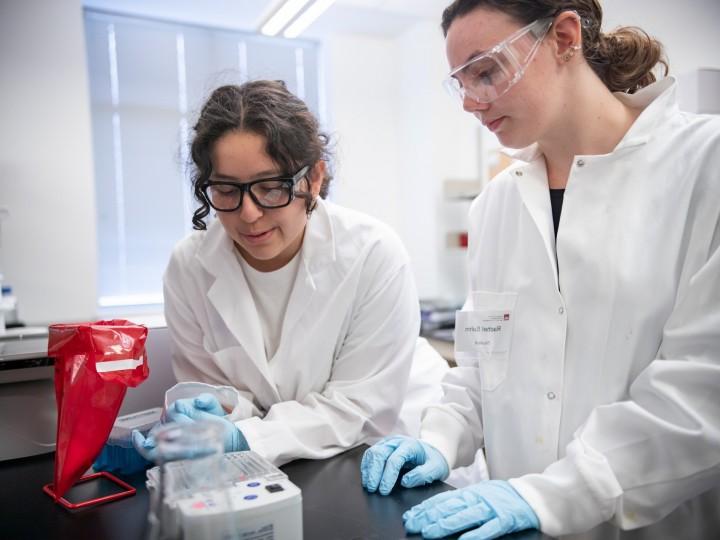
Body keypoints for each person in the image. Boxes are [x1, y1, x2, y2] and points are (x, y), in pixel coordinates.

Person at [360, 1, 720, 538]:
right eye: (461, 82)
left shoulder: (704, 164)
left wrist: (554, 495)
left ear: (564, 36)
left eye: (486, 70)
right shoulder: (495, 206)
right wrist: (438, 438)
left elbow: (702, 392)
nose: (470, 102)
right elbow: (481, 370)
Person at [98, 80, 447, 470]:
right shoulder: (188, 268)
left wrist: (243, 436)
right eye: (227, 190)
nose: (248, 213)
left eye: (270, 187)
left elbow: (358, 408)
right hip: (277, 465)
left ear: (313, 179)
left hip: (382, 451)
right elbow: (229, 397)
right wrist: (216, 411)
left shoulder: (372, 253)